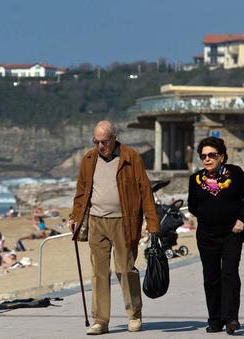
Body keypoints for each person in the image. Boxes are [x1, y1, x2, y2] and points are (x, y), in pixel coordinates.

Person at [69, 120, 160, 335]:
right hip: (96, 220)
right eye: (96, 141)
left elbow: (145, 191)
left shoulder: (130, 157)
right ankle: (100, 321)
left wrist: (152, 223)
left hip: (124, 221)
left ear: (114, 138)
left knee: (125, 269)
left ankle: (134, 315)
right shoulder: (89, 159)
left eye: (104, 141)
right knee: (99, 272)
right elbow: (81, 191)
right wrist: (75, 216)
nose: (100, 146)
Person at [187, 136, 244, 335]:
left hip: (231, 234)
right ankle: (215, 320)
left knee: (229, 274)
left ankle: (231, 318)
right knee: (211, 278)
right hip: (207, 235)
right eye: (203, 156)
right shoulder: (196, 179)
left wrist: (241, 220)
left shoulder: (235, 174)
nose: (207, 159)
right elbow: (193, 205)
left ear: (222, 156)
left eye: (212, 155)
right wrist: (208, 216)